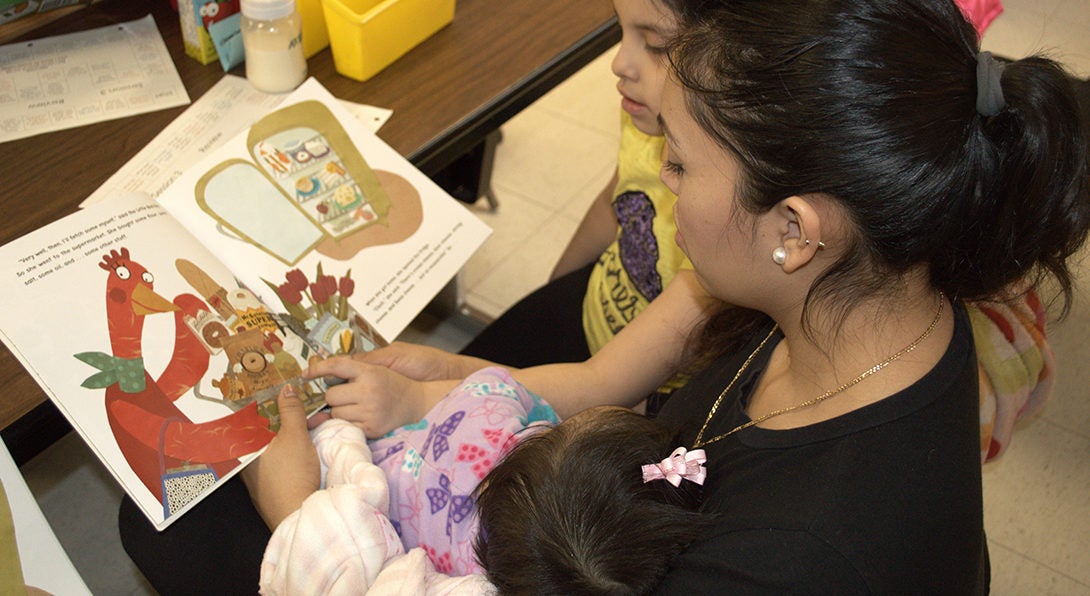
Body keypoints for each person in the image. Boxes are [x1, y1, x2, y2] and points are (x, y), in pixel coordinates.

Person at [298, 0, 1088, 590]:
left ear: (795, 228)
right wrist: (433, 388)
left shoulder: (792, 557)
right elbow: (614, 389)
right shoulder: (860, 294)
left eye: (677, 164)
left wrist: (314, 523)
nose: (661, 184)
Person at [250, 369, 709, 593]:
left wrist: (292, 500)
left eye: (560, 426)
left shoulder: (486, 410)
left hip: (313, 483)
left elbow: (497, 384)